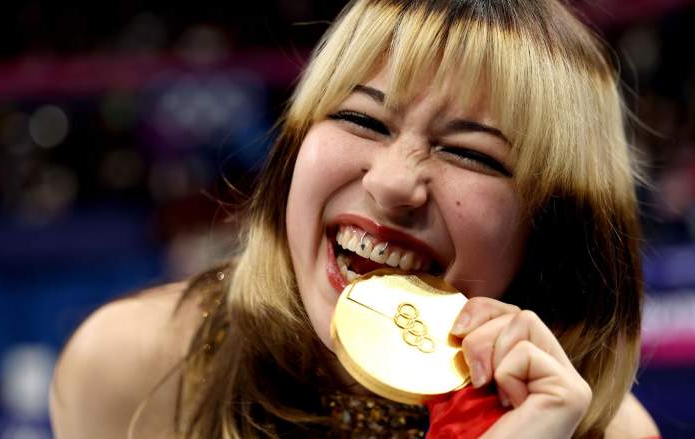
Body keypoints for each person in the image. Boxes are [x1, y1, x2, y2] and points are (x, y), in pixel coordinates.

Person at [49, 0, 661, 437]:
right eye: (363, 120)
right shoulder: (133, 367)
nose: (391, 183)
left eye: (471, 153)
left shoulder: (598, 431)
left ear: (556, 227)